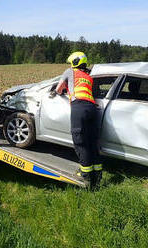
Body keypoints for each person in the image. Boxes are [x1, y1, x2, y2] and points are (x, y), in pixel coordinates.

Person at [54, 51, 102, 188]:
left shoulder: (70, 72)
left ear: (74, 62)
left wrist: (61, 91)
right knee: (92, 142)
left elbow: (58, 89)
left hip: (79, 107)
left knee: (80, 142)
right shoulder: (88, 76)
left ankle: (85, 177)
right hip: (92, 109)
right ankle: (97, 177)